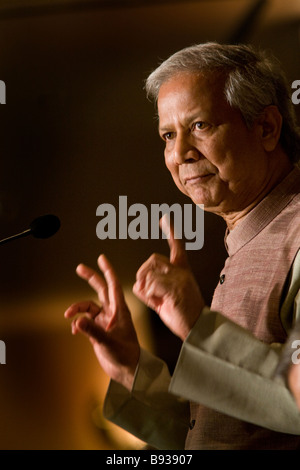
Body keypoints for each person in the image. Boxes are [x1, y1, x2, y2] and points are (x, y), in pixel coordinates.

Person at [64, 42, 300, 450]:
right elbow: (227, 430)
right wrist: (133, 370)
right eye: (168, 135)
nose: (178, 154)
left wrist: (195, 323)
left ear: (266, 128)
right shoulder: (243, 241)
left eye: (200, 126)